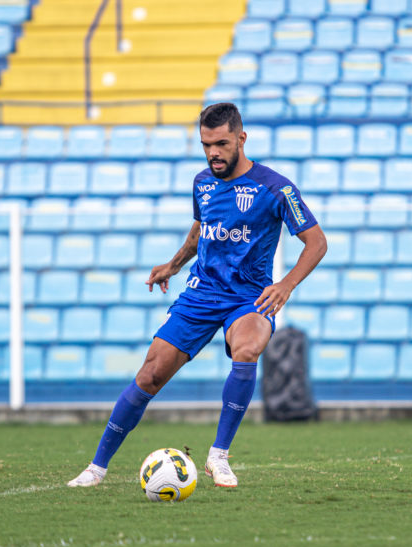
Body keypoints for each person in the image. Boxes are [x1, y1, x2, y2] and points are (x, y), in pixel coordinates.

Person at [68, 102, 326, 488]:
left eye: (221, 144)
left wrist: (285, 285)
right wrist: (173, 265)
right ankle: (96, 468)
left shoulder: (276, 188)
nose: (213, 153)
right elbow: (200, 229)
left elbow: (317, 242)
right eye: (206, 145)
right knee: (150, 375)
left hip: (248, 297)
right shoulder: (202, 182)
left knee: (247, 349)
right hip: (201, 294)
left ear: (241, 138)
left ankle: (218, 456)